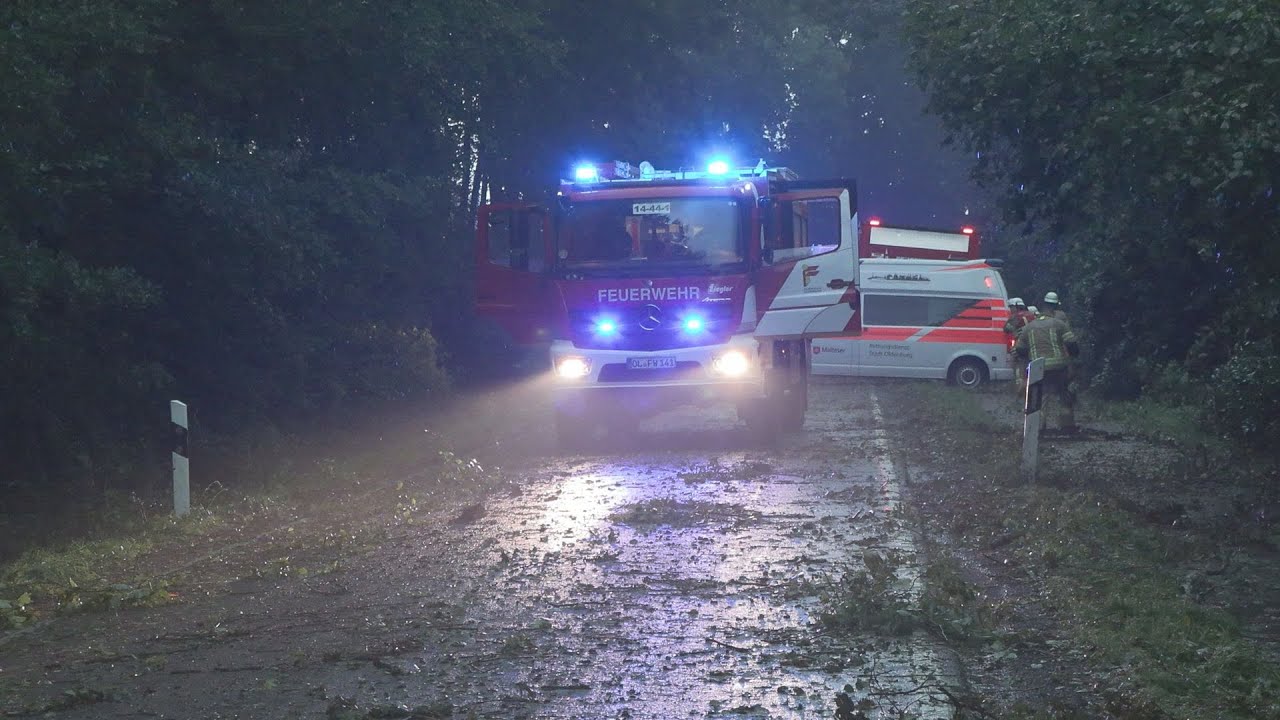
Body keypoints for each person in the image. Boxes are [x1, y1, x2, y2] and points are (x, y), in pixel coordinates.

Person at [1015, 310, 1080, 432]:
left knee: (1040, 396)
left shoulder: (1028, 328)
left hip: (1037, 367)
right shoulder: (1059, 324)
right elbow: (1072, 345)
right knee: (1064, 394)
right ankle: (1067, 424)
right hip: (1059, 366)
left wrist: (1028, 359)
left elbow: (1020, 350)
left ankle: (1039, 426)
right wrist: (1072, 359)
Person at [1004, 298, 1036, 397]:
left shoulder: (1016, 317)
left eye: (1011, 307)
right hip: (1033, 346)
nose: (1011, 309)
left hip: (1020, 345)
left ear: (1016, 306)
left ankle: (1020, 391)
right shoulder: (1031, 315)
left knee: (1018, 367)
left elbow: (1006, 328)